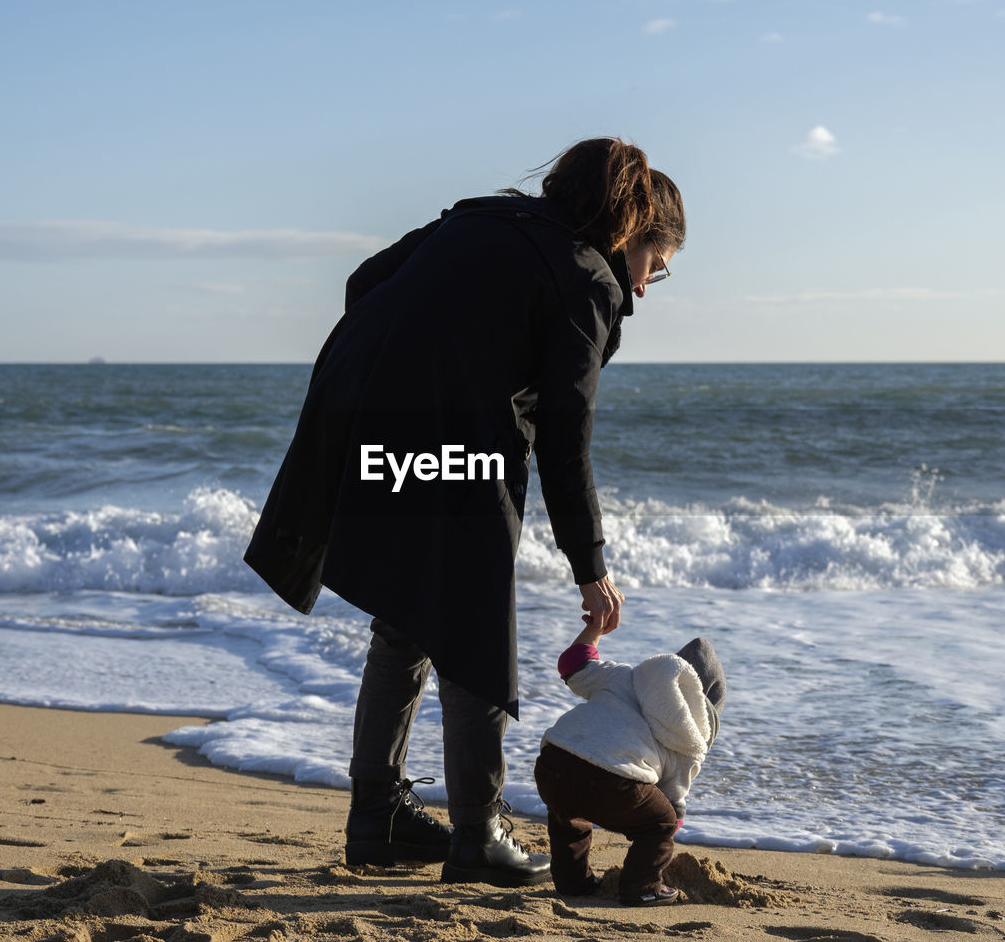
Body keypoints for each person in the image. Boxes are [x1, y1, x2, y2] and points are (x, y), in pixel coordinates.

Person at [243, 138, 686, 887]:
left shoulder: (479, 221)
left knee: (410, 618)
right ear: (631, 231)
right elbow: (566, 440)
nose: (645, 287)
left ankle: (376, 817)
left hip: (358, 412)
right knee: (473, 624)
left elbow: (365, 281)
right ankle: (477, 833)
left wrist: (429, 362)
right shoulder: (586, 279)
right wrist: (591, 569)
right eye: (656, 264)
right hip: (452, 434)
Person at [535, 626, 725, 906]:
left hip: (554, 762)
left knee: (568, 816)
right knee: (662, 821)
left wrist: (595, 627)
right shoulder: (692, 737)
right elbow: (673, 804)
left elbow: (572, 663)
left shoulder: (625, 675)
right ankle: (642, 885)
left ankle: (572, 881)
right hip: (611, 783)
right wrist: (656, 837)